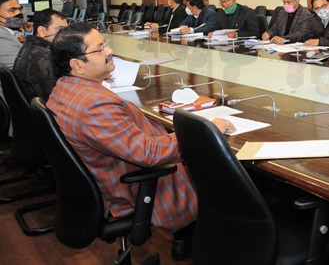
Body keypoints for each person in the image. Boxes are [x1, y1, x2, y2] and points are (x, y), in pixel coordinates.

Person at [47, 22, 234, 257]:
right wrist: (204, 132)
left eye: (105, 44)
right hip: (132, 187)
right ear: (77, 65)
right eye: (100, 49)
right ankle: (220, 245)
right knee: (227, 176)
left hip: (106, 174)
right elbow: (149, 154)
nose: (109, 51)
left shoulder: (64, 89)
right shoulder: (94, 105)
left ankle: (190, 238)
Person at [13, 9, 67, 102]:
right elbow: (55, 99)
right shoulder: (43, 58)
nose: (66, 35)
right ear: (42, 31)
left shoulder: (30, 46)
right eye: (60, 30)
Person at [0, 0, 26, 68]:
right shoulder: (2, 36)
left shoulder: (9, 31)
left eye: (19, 9)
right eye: (12, 10)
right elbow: (18, 69)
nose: (19, 13)